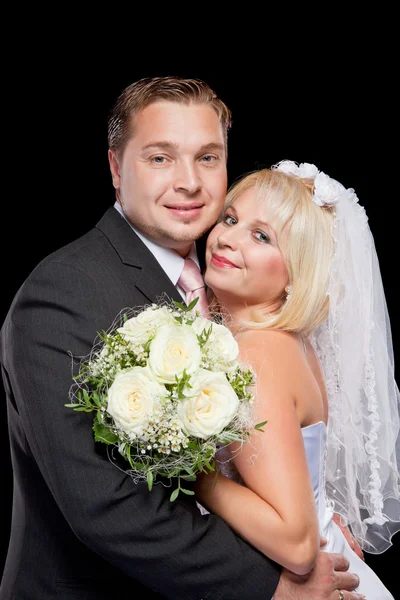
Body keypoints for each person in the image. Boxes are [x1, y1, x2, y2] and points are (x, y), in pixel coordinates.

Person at [0, 77, 364, 599]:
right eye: (160, 158)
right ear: (115, 169)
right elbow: (105, 506)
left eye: (209, 158)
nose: (189, 182)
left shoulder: (230, 285)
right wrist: (270, 586)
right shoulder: (63, 294)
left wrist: (318, 515)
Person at [194, 160, 400, 598]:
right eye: (231, 218)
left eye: (261, 236)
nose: (227, 237)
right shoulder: (289, 342)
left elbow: (298, 543)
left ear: (295, 275)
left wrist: (198, 477)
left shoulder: (257, 353)